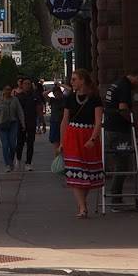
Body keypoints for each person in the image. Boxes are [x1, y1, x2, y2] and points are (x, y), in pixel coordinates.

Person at [56, 69, 104, 218]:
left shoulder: (95, 98)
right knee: (75, 171)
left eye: (74, 79)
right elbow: (65, 120)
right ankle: (82, 207)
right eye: (72, 79)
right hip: (72, 136)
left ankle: (82, 203)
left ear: (83, 80)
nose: (72, 82)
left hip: (88, 135)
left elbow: (98, 122)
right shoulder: (70, 98)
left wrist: (93, 139)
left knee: (88, 173)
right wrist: (62, 142)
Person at [103, 69, 138, 208]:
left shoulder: (116, 84)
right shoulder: (125, 87)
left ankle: (116, 197)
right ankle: (116, 199)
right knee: (122, 164)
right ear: (137, 77)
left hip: (110, 127)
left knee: (118, 162)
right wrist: (134, 122)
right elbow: (123, 109)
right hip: (119, 129)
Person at [0, 85, 24, 171]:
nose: (8, 91)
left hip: (13, 124)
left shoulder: (15, 100)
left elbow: (20, 111)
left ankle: (11, 160)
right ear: (3, 91)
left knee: (12, 145)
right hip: (2, 125)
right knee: (5, 145)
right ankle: (7, 164)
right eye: (6, 89)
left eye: (9, 89)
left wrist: (23, 123)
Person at [15, 78, 39, 170]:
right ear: (22, 85)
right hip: (21, 123)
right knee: (20, 142)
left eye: (29, 84)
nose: (27, 85)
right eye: (25, 84)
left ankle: (28, 162)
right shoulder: (18, 97)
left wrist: (41, 121)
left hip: (31, 122)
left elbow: (38, 108)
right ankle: (18, 158)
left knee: (30, 143)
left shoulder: (34, 96)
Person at [47, 81, 66, 148]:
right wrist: (52, 89)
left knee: (64, 141)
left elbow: (70, 90)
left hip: (63, 122)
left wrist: (60, 85)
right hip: (54, 122)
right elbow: (43, 94)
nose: (57, 95)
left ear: (61, 93)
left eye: (58, 93)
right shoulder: (52, 100)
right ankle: (57, 157)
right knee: (55, 142)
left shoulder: (65, 99)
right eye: (55, 94)